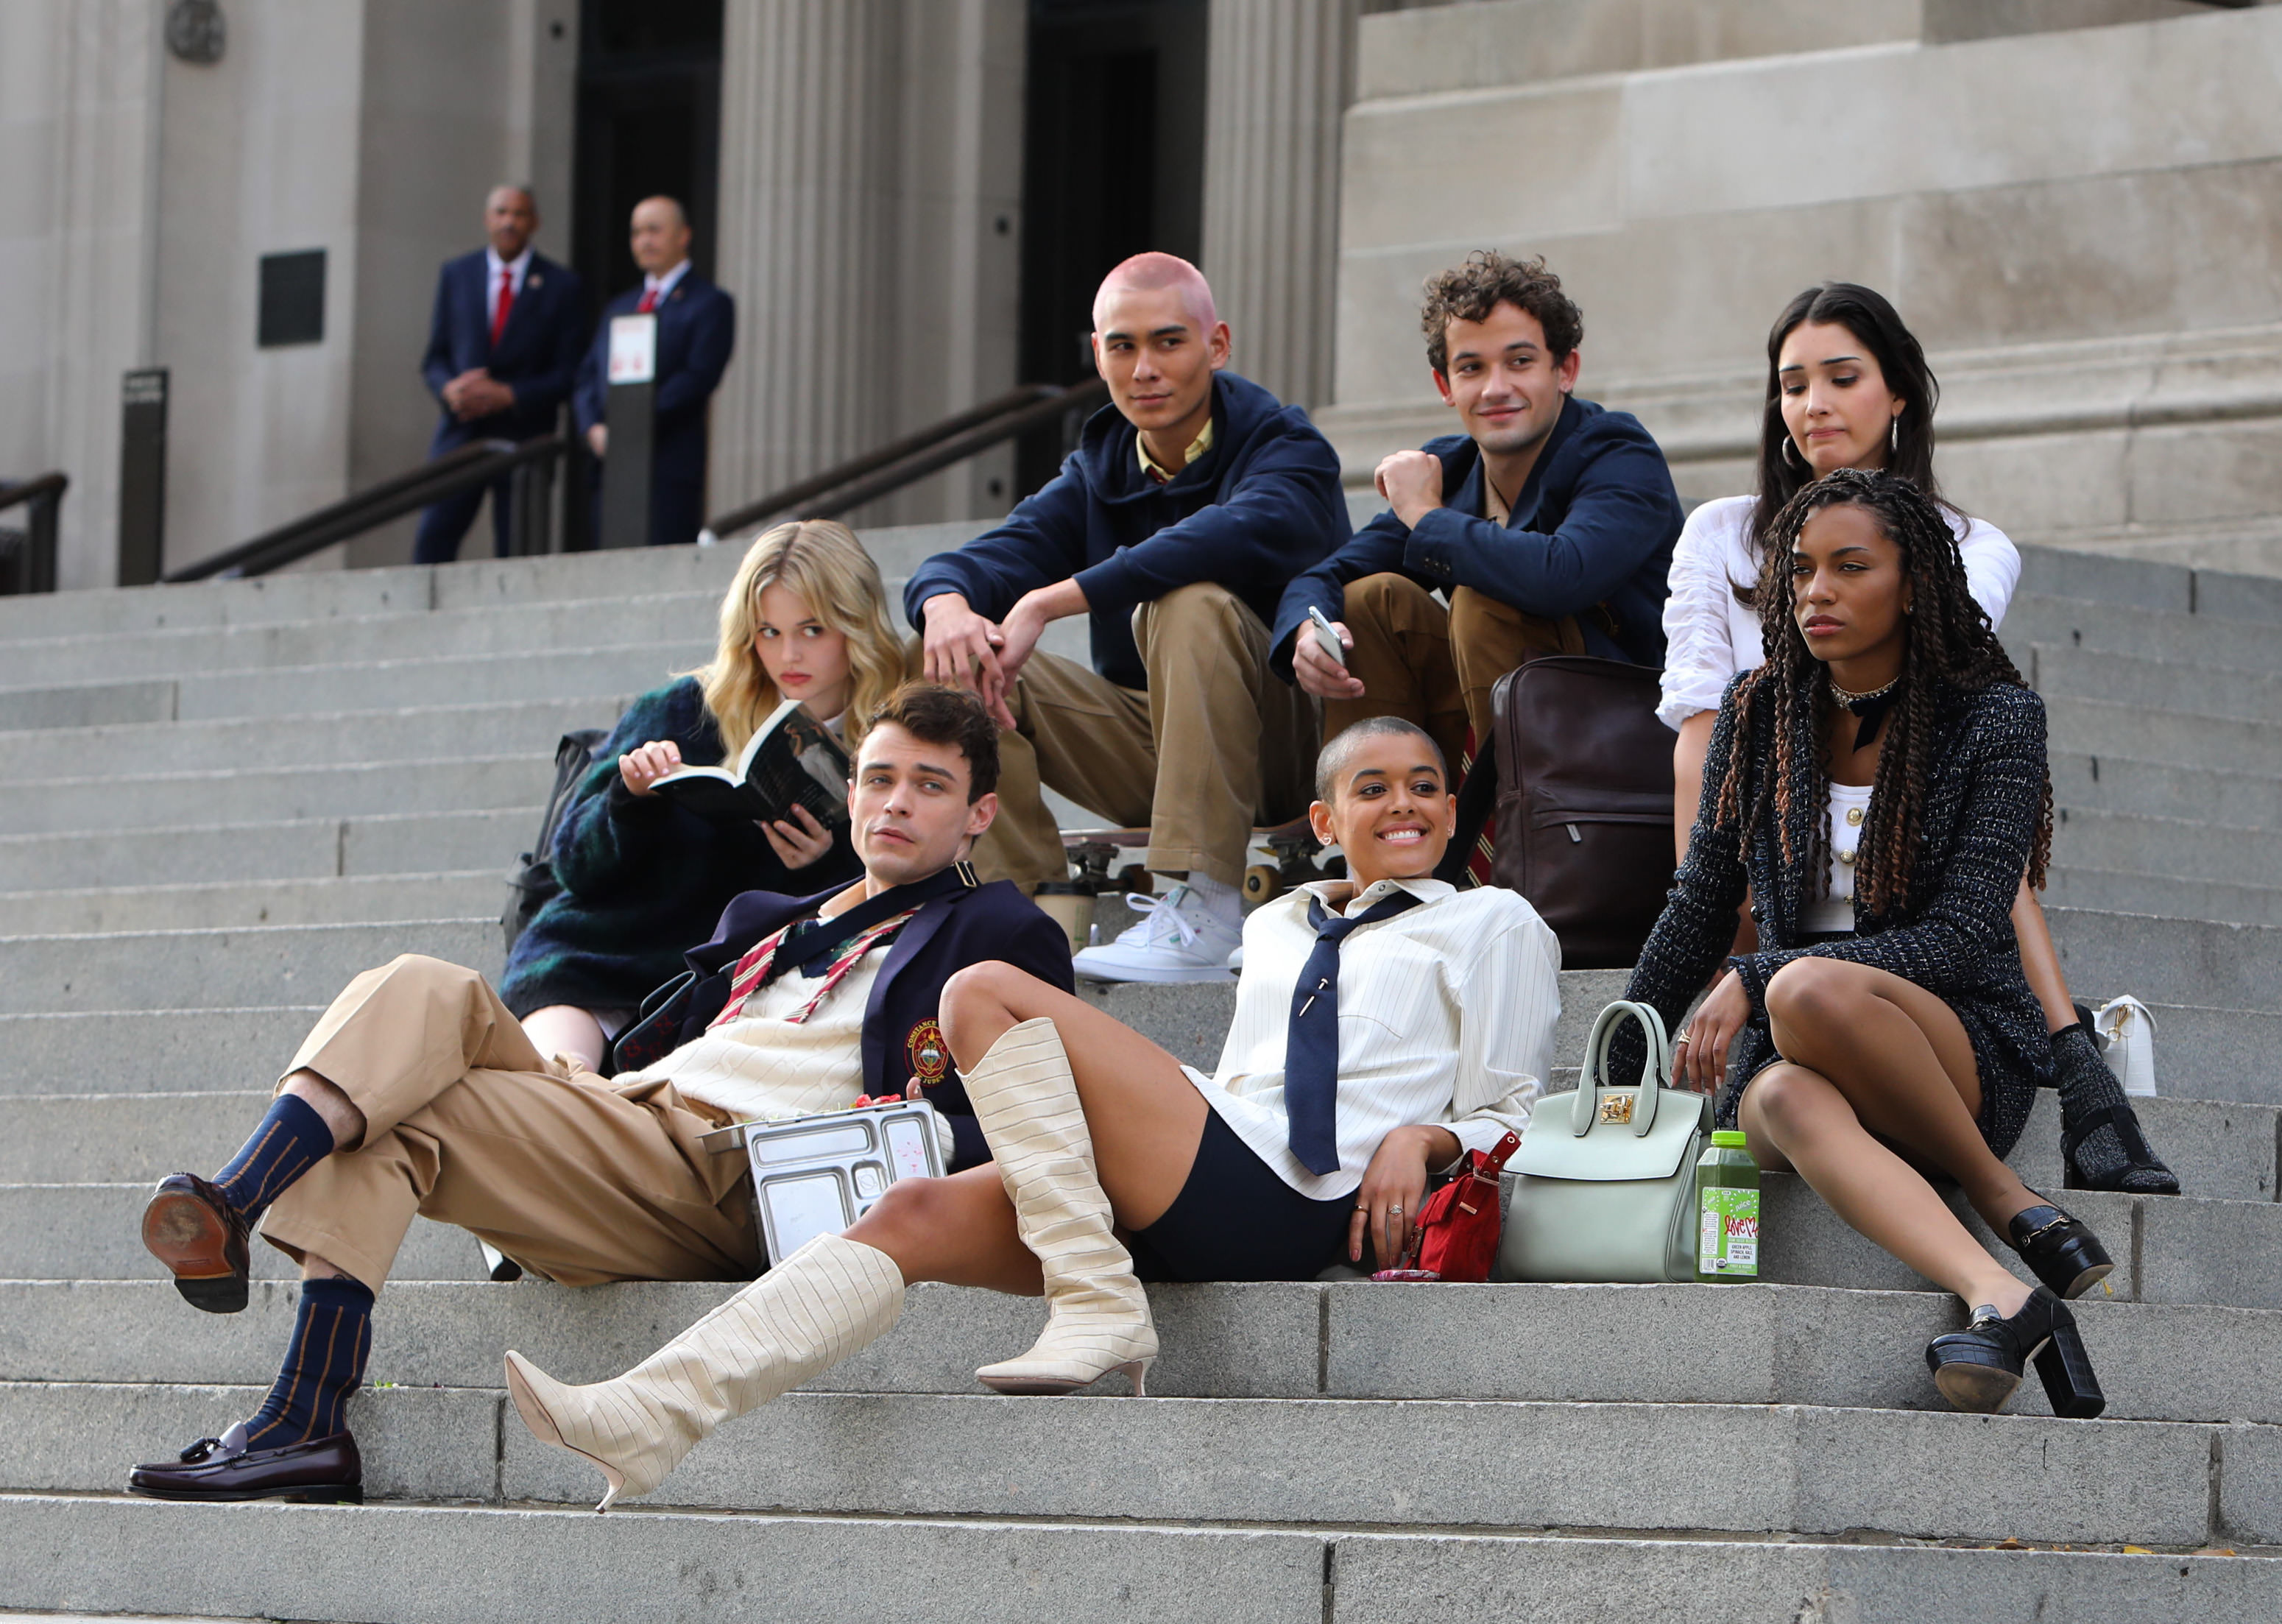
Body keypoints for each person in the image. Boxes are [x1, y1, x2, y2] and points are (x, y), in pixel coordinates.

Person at [499, 716, 1560, 1511]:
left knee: (979, 991)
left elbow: (1514, 1109)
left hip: (1306, 1197)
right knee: (911, 1210)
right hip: (1220, 1154)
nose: (1407, 802)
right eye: (1373, 787)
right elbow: (1244, 1083)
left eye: (1426, 784)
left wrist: (1428, 1137)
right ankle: (646, 1418)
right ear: (1327, 822)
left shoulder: (1493, 921)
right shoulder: (1280, 928)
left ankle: (1098, 1298)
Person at [127, 685, 1073, 1506]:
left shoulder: (996, 928)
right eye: (878, 779)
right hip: (626, 1112)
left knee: (420, 1020)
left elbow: (1028, 1110)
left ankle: (247, 1225)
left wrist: (925, 1129)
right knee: (411, 1045)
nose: (895, 803)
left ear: (979, 814)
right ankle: (303, 1414)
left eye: (928, 786)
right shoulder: (773, 917)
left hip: (727, 1172)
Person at [1657, 281, 2174, 1196]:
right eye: (1792, 383)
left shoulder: (1963, 555)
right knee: (1781, 1052)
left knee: (1960, 800)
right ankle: (2012, 1244)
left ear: (1897, 393)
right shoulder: (1725, 545)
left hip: (1909, 889)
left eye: (1841, 377)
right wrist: (1644, 1013)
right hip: (1768, 827)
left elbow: (1938, 701)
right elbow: (1703, 737)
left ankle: (2064, 1045)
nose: (1812, 403)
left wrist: (1759, 966)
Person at [1627, 467, 2111, 1419]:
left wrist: (1762, 971)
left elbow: (1967, 940)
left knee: (1807, 990)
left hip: (1950, 1047)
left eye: (1851, 567)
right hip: (1797, 1050)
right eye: (1800, 570)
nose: (1816, 591)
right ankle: (2005, 1287)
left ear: (1916, 583)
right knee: (1778, 1091)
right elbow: (1700, 901)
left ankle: (1996, 1184)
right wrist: (1618, 1046)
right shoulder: (1758, 711)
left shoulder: (1996, 721)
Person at [905, 252, 1350, 982]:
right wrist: (946, 604)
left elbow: (1220, 536)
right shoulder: (1099, 468)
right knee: (962, 657)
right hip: (1157, 744)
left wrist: (1052, 599)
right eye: (1123, 346)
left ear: (1217, 345)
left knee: (1189, 602)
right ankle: (1022, 922)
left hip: (1290, 744)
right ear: (1098, 354)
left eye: (1167, 342)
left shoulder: (1284, 446)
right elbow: (987, 557)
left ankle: (1202, 903)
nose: (1144, 367)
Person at [502, 519, 902, 1071]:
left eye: (812, 630)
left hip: (730, 990)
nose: (789, 656)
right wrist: (629, 799)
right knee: (556, 1086)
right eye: (768, 632)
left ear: (854, 626)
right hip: (596, 959)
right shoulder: (683, 709)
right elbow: (572, 864)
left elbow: (900, 894)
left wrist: (822, 863)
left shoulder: (891, 732)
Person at [1279, 252, 1684, 774]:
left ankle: (1518, 838)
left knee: (1483, 601)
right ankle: (1379, 825)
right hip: (1492, 721)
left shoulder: (1618, 453)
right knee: (1368, 601)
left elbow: (1563, 575)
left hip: (1625, 730)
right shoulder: (1450, 467)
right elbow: (1326, 575)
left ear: (1566, 370)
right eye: (1471, 368)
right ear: (1445, 386)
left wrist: (1425, 515)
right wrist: (1307, 632)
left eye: (1519, 362)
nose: (1496, 388)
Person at [412, 186, 587, 564]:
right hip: (461, 431)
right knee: (433, 538)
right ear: (487, 219)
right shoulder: (457, 274)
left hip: (524, 435)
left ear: (535, 222)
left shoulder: (562, 286)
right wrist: (450, 390)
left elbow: (572, 373)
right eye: (501, 212)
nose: (509, 221)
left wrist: (511, 395)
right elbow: (435, 358)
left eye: (519, 214)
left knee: (518, 548)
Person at [573, 196, 735, 548]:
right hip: (612, 470)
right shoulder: (620, 307)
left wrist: (632, 423)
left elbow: (699, 376)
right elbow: (588, 376)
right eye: (636, 233)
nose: (644, 241)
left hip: (667, 465)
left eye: (654, 230)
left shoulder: (709, 303)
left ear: (683, 236)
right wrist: (593, 428)